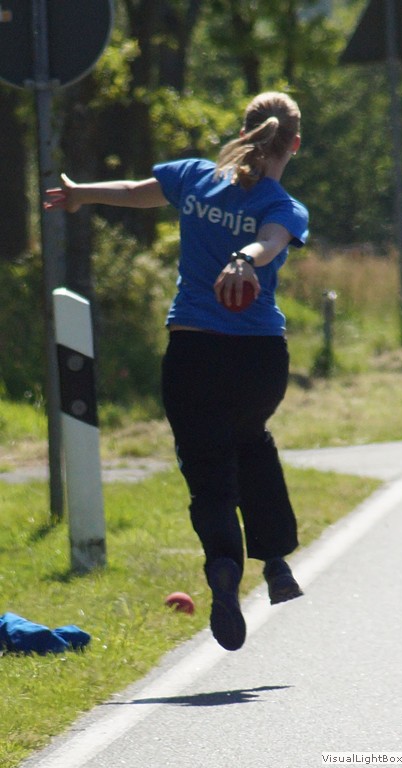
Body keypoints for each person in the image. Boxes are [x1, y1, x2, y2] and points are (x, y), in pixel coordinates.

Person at [45, 91, 309, 652]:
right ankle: (275, 561)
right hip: (259, 357)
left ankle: (223, 562)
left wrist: (81, 195)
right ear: (295, 144)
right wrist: (246, 258)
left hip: (193, 352)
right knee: (250, 440)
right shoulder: (283, 203)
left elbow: (135, 191)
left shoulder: (194, 176)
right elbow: (271, 241)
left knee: (207, 463)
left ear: (244, 129)